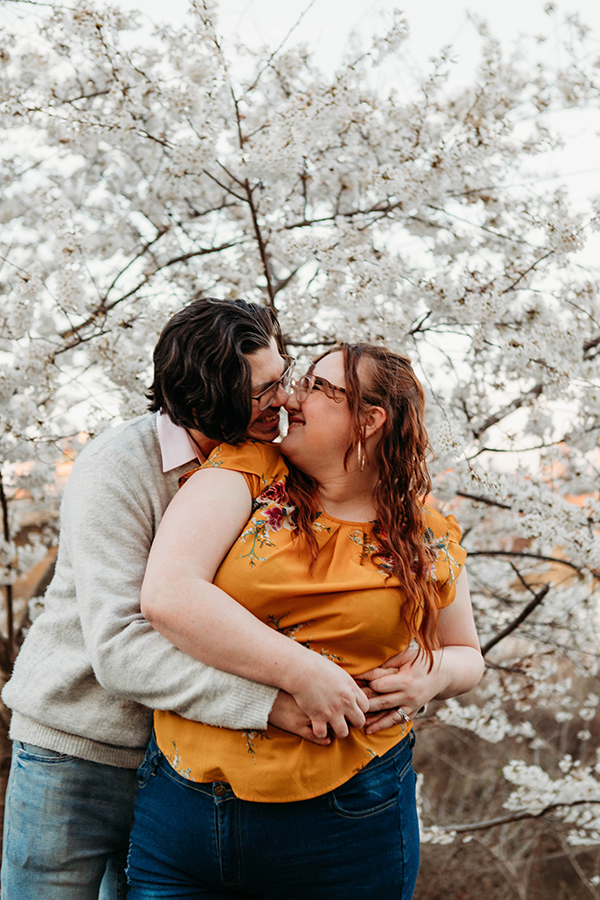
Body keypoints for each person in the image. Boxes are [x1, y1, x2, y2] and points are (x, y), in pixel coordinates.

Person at [127, 343, 485, 899]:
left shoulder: (424, 533)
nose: (292, 395)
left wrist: (433, 676)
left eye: (319, 388)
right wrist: (301, 673)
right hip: (184, 809)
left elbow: (467, 654)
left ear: (368, 420)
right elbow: (169, 593)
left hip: (345, 823)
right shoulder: (246, 471)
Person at [1, 298, 330, 900]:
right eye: (262, 390)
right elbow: (122, 647)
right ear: (203, 396)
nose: (281, 399)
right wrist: (270, 701)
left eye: (281, 378)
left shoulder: (269, 465)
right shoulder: (117, 471)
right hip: (75, 750)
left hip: (181, 761)